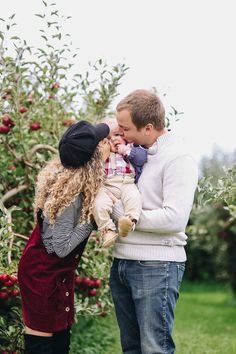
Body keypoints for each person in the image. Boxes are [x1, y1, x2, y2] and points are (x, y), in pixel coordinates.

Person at [109, 90, 198, 354]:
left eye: (125, 129)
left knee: (154, 349)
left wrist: (122, 215)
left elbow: (174, 218)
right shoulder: (134, 153)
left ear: (148, 128)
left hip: (156, 265)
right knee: (132, 348)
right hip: (122, 263)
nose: (120, 134)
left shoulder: (177, 158)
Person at [17, 120, 110, 354]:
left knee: (60, 342)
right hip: (42, 275)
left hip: (53, 272)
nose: (109, 144)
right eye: (103, 142)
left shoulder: (71, 180)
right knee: (42, 346)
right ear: (93, 157)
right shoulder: (71, 195)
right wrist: (92, 220)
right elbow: (60, 247)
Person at [92, 117, 147, 248]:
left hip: (127, 182)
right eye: (108, 139)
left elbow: (142, 157)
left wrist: (126, 150)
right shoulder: (102, 154)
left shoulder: (130, 149)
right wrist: (102, 155)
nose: (114, 140)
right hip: (107, 186)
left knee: (134, 198)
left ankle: (129, 222)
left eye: (117, 135)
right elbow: (93, 171)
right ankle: (107, 231)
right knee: (98, 204)